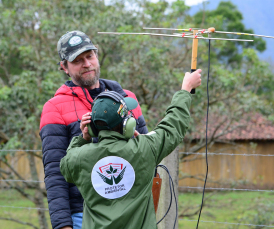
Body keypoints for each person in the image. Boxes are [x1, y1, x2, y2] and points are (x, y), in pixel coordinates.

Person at [60, 69, 202, 229]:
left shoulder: (78, 158)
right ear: (127, 125)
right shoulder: (145, 148)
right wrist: (185, 89)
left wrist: (82, 139)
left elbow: (66, 167)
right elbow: (173, 125)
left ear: (92, 127)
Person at [39, 30, 148, 229]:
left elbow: (147, 154)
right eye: (77, 60)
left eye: (90, 56)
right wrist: (63, 225)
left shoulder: (128, 99)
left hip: (130, 210)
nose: (87, 64)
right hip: (83, 214)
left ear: (97, 56)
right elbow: (55, 173)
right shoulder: (54, 108)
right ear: (64, 67)